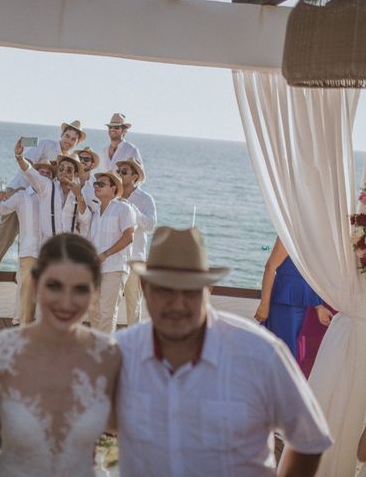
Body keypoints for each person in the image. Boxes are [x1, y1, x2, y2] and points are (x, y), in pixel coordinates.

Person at [116, 226, 332, 476]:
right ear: (144, 287)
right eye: (164, 290)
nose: (177, 303)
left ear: (208, 289)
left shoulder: (260, 353)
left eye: (189, 291)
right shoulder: (121, 352)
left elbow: (310, 438)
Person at [0, 233, 121, 477]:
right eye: (54, 286)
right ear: (35, 283)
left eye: (80, 289)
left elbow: (132, 429)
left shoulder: (109, 356)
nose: (66, 302)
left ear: (95, 293)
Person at [0, 120, 85, 279]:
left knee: (31, 233)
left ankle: (22, 273)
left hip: (41, 197)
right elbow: (26, 162)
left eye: (72, 139)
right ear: (61, 135)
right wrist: (25, 184)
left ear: (77, 142)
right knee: (6, 229)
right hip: (21, 189)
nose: (68, 141)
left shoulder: (68, 160)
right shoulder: (46, 144)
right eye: (67, 136)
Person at [0, 161, 55, 325]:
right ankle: (24, 325)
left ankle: (42, 326)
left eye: (48, 173)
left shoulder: (55, 197)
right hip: (28, 250)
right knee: (26, 289)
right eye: (41, 172)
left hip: (49, 253)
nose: (44, 175)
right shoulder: (21, 196)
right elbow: (0, 210)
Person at [254, 236, 327, 357]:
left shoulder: (303, 232)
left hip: (304, 303)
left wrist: (318, 306)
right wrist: (264, 305)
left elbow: (311, 273)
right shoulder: (291, 232)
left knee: (292, 353)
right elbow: (270, 267)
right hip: (286, 304)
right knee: (285, 353)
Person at [87, 171, 136, 333]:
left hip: (115, 267)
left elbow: (129, 236)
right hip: (95, 269)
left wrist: (106, 254)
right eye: (96, 184)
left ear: (114, 188)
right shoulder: (95, 211)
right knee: (93, 309)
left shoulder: (123, 208)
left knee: (107, 312)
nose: (97, 187)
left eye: (102, 184)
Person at [14, 141, 90, 240]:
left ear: (75, 174)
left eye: (68, 170)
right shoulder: (47, 186)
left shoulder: (79, 193)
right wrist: (19, 156)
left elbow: (85, 219)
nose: (64, 172)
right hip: (48, 242)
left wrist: (79, 195)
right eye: (61, 169)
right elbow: (30, 172)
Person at [116, 157, 157, 325]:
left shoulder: (145, 199)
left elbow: (151, 225)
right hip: (115, 257)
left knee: (134, 303)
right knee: (111, 302)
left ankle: (136, 344)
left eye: (124, 172)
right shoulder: (113, 194)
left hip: (135, 258)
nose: (119, 174)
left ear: (135, 176)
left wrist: (132, 209)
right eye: (119, 171)